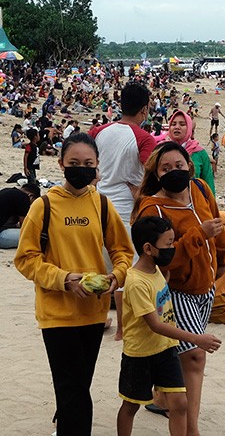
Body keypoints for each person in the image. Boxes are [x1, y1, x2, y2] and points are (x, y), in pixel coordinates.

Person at [14, 133, 135, 434]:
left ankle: (63, 421)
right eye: (74, 163)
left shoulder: (103, 205)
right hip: (57, 314)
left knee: (78, 384)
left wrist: (116, 277)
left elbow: (122, 251)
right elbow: (26, 259)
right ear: (61, 164)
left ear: (97, 167)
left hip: (93, 314)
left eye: (88, 163)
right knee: (75, 390)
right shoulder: (44, 206)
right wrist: (63, 279)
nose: (81, 168)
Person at [134, 142, 225, 436]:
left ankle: (162, 397)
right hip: (176, 289)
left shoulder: (200, 188)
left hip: (206, 286)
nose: (174, 171)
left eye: (179, 166)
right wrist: (197, 236)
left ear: (189, 166)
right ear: (157, 173)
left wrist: (223, 259)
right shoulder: (154, 207)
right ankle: (191, 430)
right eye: (166, 168)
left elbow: (217, 226)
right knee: (194, 356)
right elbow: (165, 259)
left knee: (179, 353)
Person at [118, 216, 222, 436]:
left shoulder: (157, 271)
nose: (172, 248)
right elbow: (154, 324)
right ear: (148, 248)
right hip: (140, 355)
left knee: (180, 404)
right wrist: (196, 338)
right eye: (167, 244)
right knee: (131, 405)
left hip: (166, 350)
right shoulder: (136, 282)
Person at [88, 82, 156, 223]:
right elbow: (154, 173)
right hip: (127, 210)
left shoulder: (98, 132)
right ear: (144, 110)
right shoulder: (144, 139)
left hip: (98, 204)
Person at [163, 110, 216, 196]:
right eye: (173, 124)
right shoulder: (161, 150)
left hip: (195, 202)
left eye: (182, 124)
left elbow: (208, 184)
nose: (177, 127)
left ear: (189, 128)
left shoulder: (200, 153)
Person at [0, 183, 40, 249]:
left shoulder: (6, 191)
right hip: (1, 238)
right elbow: (24, 226)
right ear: (31, 196)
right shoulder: (24, 198)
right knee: (34, 235)